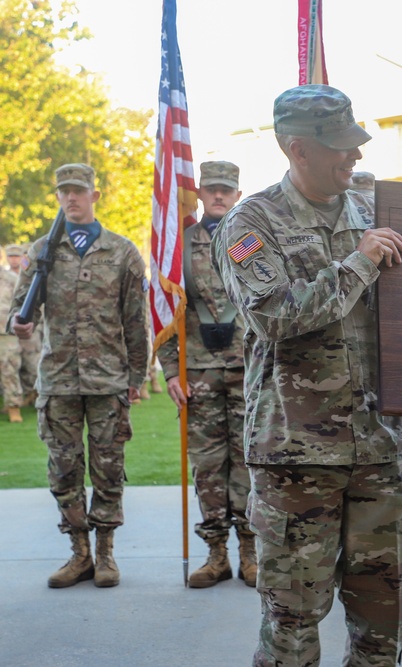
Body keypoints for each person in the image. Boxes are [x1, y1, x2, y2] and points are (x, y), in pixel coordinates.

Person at [211, 85, 402, 666]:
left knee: (384, 621)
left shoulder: (378, 209)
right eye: (339, 147)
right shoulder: (251, 223)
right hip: (294, 459)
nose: (354, 156)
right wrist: (360, 263)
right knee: (292, 623)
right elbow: (274, 314)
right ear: (297, 149)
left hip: (381, 450)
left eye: (356, 144)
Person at [6, 163, 148, 588]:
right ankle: (79, 553)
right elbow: (19, 307)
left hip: (108, 379)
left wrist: (137, 376)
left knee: (108, 467)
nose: (71, 198)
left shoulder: (122, 252)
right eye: (63, 192)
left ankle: (105, 554)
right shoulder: (40, 252)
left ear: (94, 195)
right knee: (64, 469)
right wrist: (20, 322)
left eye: (78, 191)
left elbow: (135, 322)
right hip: (59, 378)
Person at [157, 161, 255, 588]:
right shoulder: (180, 246)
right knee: (208, 466)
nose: (218, 196)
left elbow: (269, 299)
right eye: (212, 189)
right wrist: (169, 372)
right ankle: (216, 555)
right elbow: (164, 311)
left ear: (237, 194)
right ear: (200, 194)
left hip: (248, 369)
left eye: (226, 190)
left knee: (250, 463)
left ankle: (251, 552)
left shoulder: (251, 241)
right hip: (196, 370)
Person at [5, 243, 40, 404]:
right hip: (8, 328)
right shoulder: (5, 276)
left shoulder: (28, 273)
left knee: (31, 361)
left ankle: (35, 394)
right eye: (10, 256)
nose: (13, 260)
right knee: (12, 364)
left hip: (29, 324)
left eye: (16, 256)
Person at [0, 245, 24, 422]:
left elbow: (23, 303)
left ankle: (13, 407)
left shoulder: (11, 279)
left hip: (5, 331)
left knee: (9, 368)